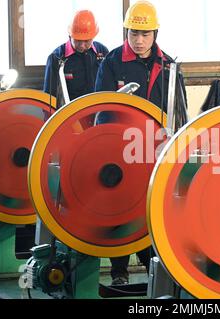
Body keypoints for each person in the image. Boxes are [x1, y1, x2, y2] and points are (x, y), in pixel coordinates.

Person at [94, 0, 186, 285]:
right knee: (119, 208)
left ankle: (152, 269)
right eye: (133, 33)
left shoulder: (168, 65)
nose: (139, 40)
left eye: (145, 34)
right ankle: (119, 270)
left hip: (156, 150)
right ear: (126, 32)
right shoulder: (111, 62)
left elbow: (180, 110)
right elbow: (101, 106)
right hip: (119, 149)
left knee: (151, 208)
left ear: (155, 34)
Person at [44, 10, 109, 106]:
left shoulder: (102, 52)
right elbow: (49, 99)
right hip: (71, 116)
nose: (82, 46)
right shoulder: (56, 58)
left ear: (93, 36)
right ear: (70, 35)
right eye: (78, 41)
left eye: (87, 41)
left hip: (98, 114)